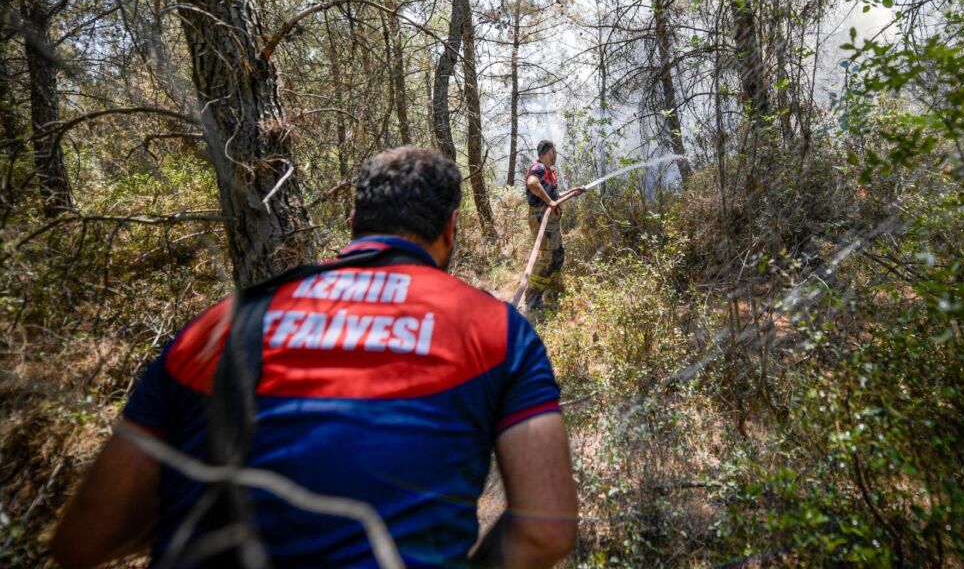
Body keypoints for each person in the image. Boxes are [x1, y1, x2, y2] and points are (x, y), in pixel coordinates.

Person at [52, 147, 577, 569]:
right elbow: (544, 531)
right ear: (451, 229)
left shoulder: (217, 328)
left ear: (353, 222)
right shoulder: (496, 332)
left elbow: (83, 540)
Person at [523, 140, 582, 312]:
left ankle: (548, 292)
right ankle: (532, 299)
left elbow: (555, 197)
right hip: (542, 219)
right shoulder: (539, 168)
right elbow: (532, 183)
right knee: (547, 258)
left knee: (557, 255)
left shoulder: (549, 173)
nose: (556, 153)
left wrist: (572, 192)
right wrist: (549, 201)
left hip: (550, 222)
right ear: (549, 151)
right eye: (554, 150)